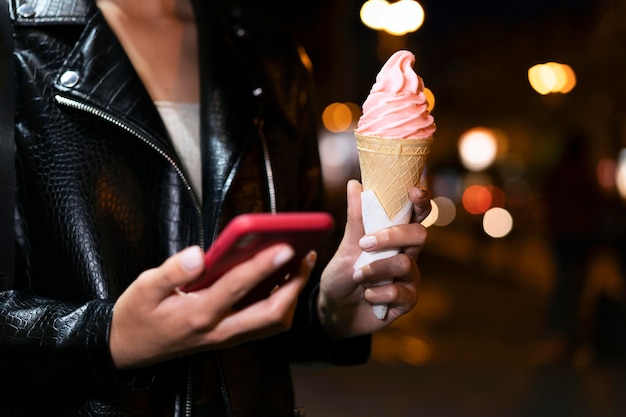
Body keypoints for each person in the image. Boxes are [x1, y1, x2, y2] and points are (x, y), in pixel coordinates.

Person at [0, 0, 431, 416]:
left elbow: (269, 321)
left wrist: (328, 312)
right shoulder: (14, 37)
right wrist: (111, 337)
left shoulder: (273, 59)